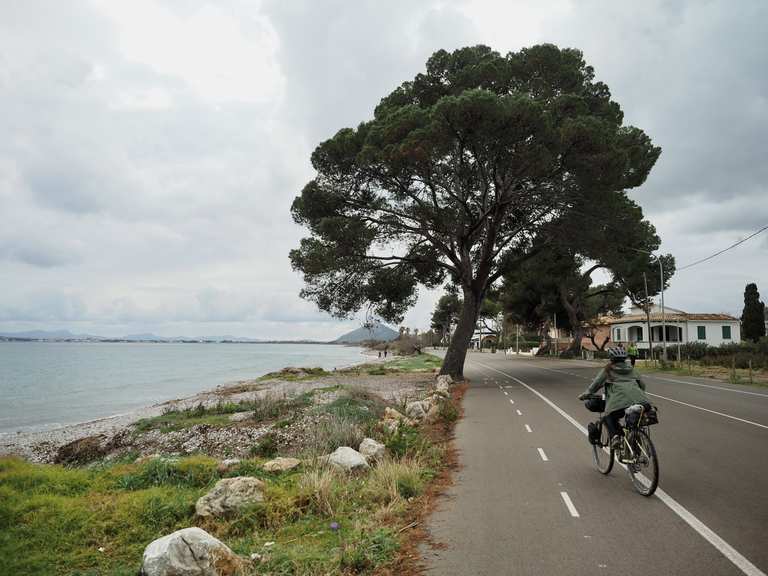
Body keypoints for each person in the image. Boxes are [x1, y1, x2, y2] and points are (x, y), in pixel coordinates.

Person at [578, 347, 649, 448]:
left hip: (618, 403)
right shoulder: (632, 369)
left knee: (608, 416)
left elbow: (595, 385)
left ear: (611, 359)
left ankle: (615, 437)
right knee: (633, 419)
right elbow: (642, 386)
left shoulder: (608, 370)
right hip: (642, 401)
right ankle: (634, 438)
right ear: (625, 358)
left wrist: (584, 395)